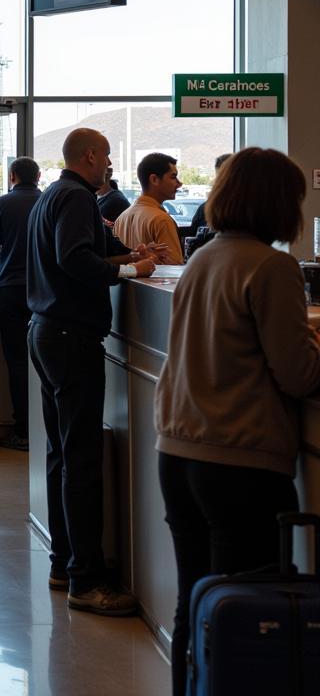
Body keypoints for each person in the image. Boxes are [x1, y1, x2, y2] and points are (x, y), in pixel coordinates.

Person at [155, 147, 320, 696]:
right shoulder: (273, 267)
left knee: (199, 603)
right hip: (240, 460)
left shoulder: (203, 257)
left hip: (179, 451)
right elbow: (296, 374)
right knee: (245, 604)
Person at [26, 128, 156, 615]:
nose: (108, 164)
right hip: (70, 337)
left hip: (46, 331)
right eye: (105, 155)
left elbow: (80, 253)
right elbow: (75, 257)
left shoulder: (53, 195)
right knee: (81, 459)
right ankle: (87, 580)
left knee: (63, 453)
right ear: (89, 155)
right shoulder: (77, 197)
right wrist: (131, 272)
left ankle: (65, 563)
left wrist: (130, 257)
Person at [0, 156, 41, 452]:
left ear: (12, 176)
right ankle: (44, 427)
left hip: (11, 288)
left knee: (16, 360)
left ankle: (23, 430)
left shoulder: (1, 204)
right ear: (38, 176)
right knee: (45, 360)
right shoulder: (48, 201)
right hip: (44, 290)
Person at [111, 151, 184, 265]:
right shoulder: (161, 220)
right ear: (154, 179)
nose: (179, 183)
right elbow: (173, 269)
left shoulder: (121, 217)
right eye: (173, 177)